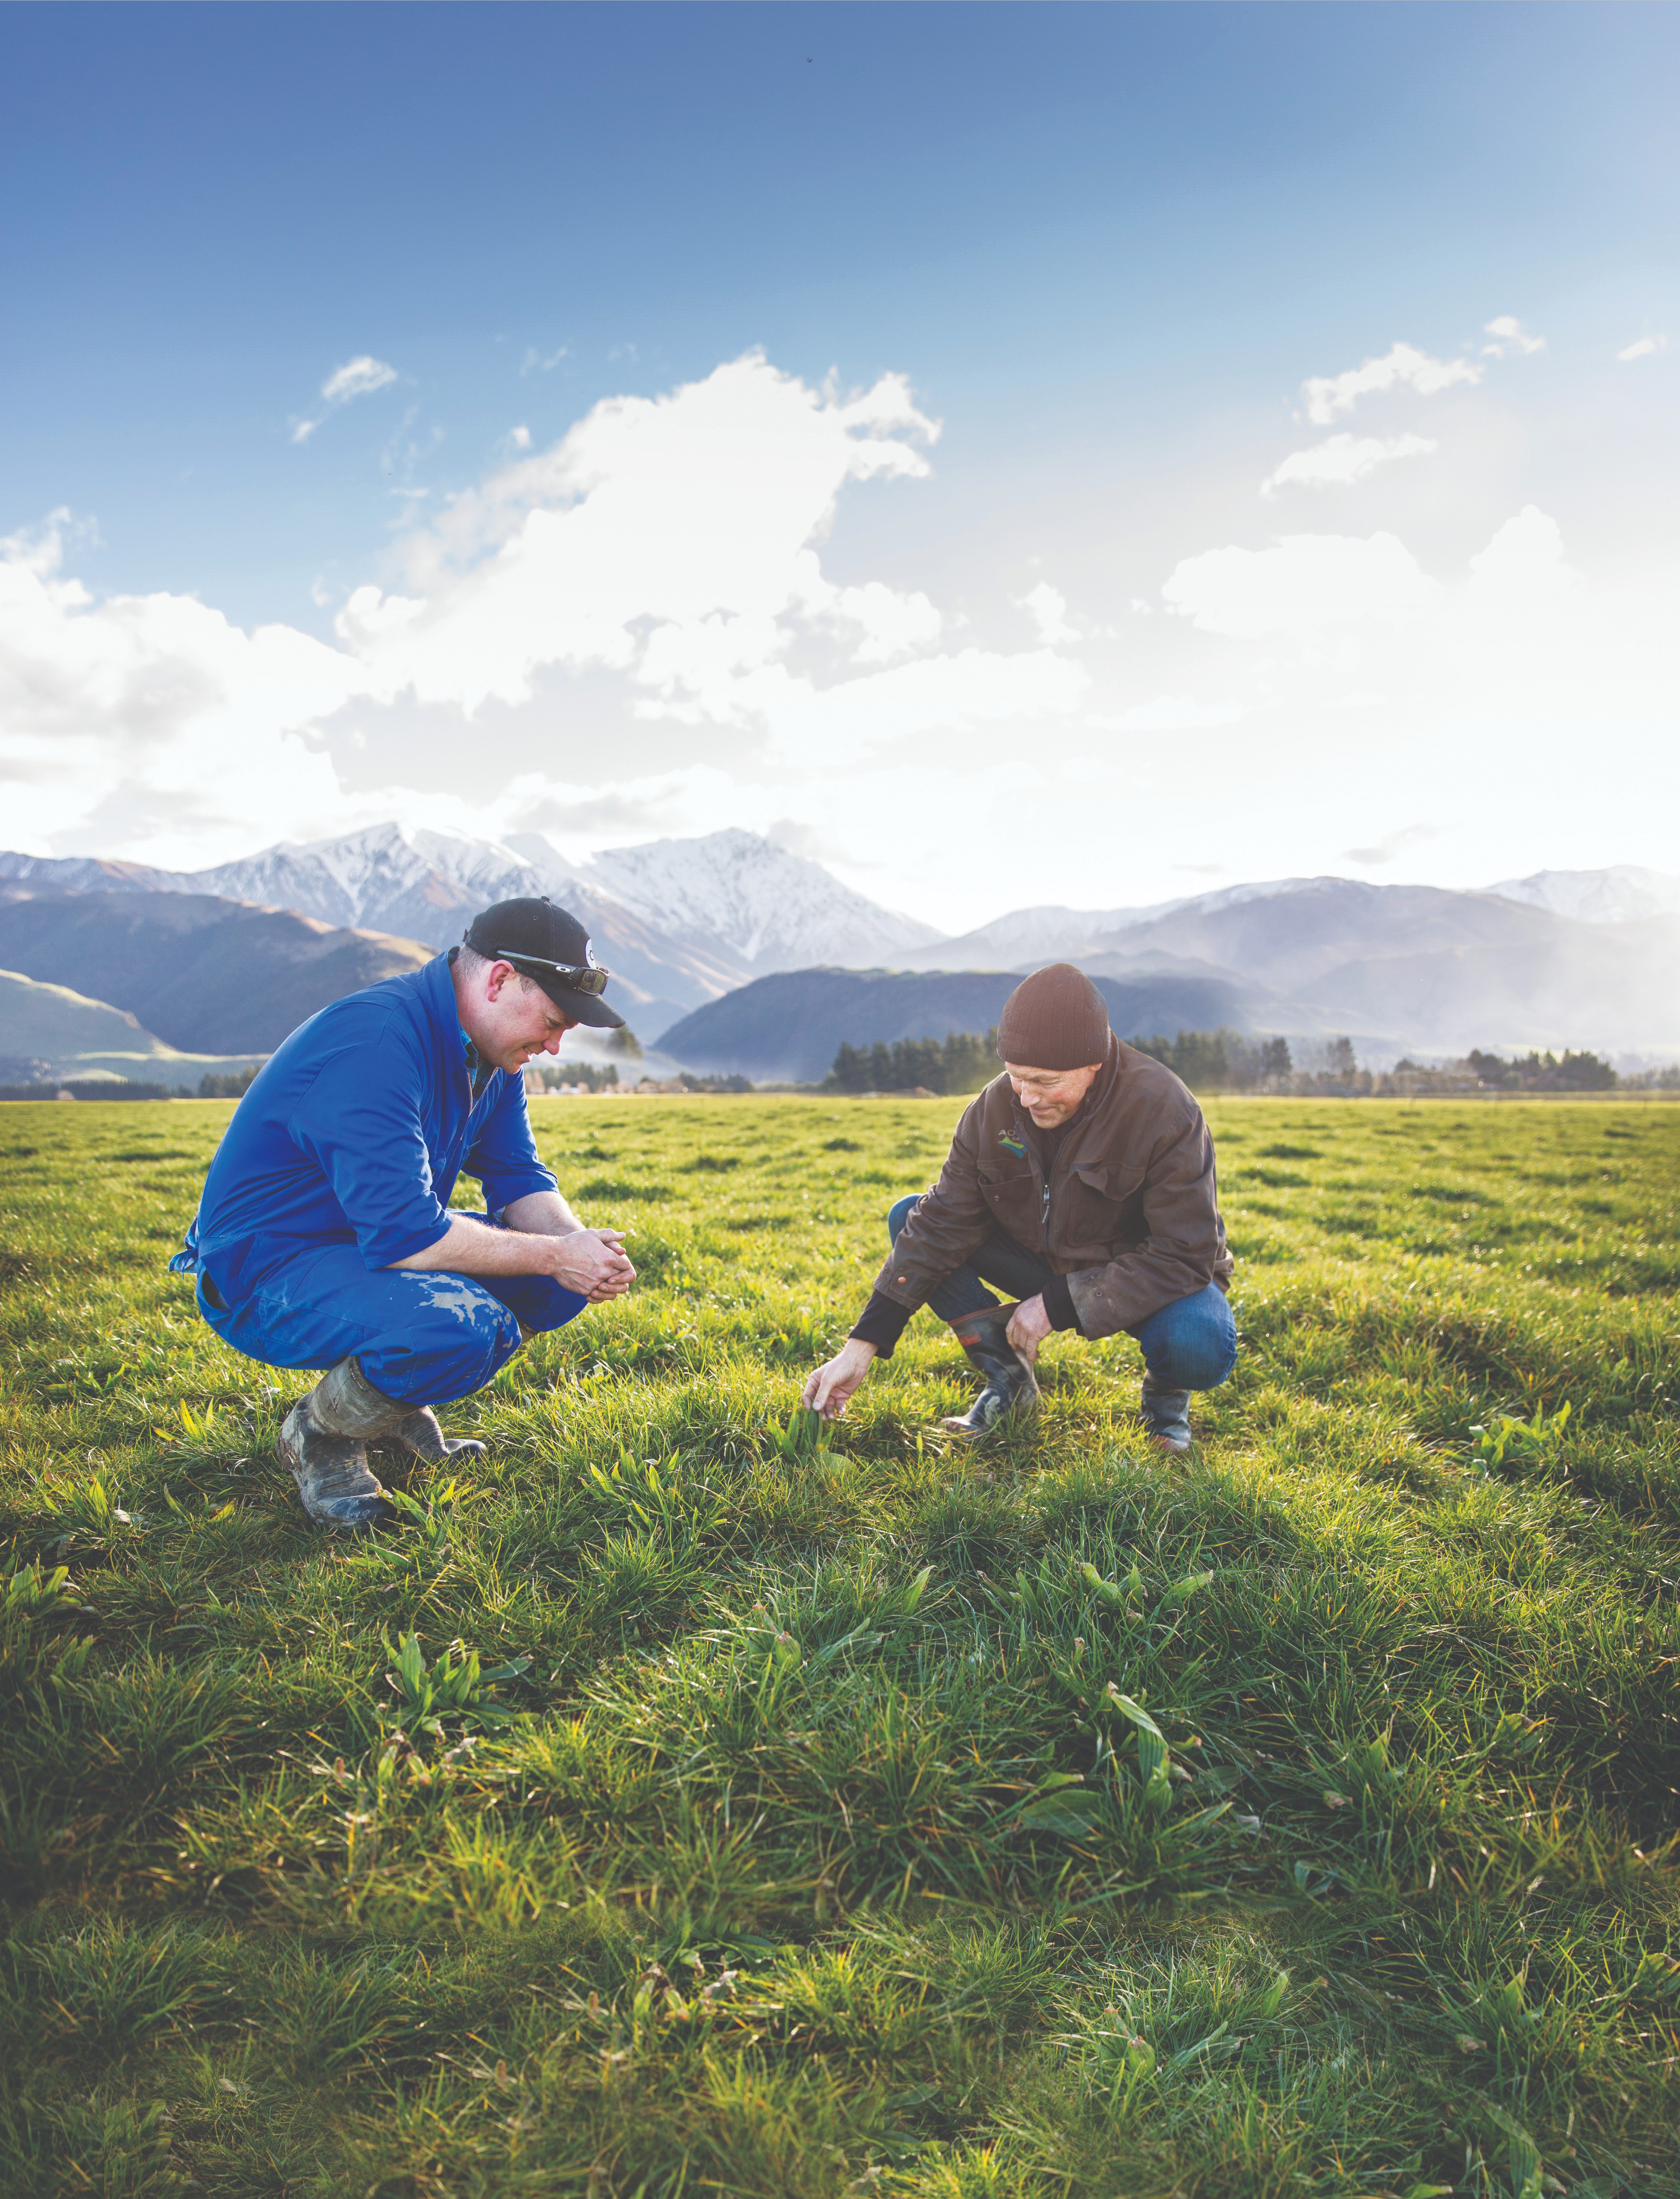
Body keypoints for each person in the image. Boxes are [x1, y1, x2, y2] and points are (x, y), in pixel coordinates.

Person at [170, 898, 636, 1527]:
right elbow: (407, 1234)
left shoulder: (487, 1057)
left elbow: (518, 1174)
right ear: (498, 979)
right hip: (267, 1270)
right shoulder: (376, 1043)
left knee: (552, 1287)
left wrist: (579, 1249)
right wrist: (556, 1254)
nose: (554, 1046)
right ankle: (320, 1434)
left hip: (360, 1252)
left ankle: (385, 1402)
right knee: (462, 1325)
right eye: (553, 1021)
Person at [801, 963, 1236, 1449]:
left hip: (1145, 1277)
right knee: (909, 1216)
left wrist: (1056, 1304)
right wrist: (861, 1346)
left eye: (1045, 1081)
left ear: (1093, 1062)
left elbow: (1185, 1253)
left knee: (1198, 1342)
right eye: (1015, 1078)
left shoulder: (1164, 1109)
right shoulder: (992, 1110)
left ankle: (1165, 1404)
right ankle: (1009, 1383)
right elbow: (940, 1223)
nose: (1027, 1098)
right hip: (1041, 1259)